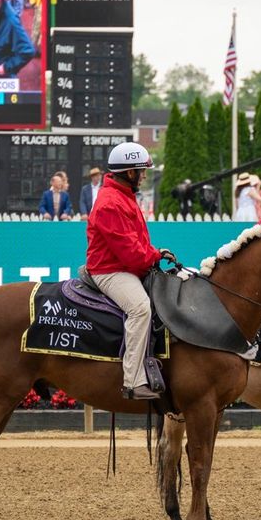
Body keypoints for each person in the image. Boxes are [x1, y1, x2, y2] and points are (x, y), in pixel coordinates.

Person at [86, 142, 175, 401]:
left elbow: (136, 245)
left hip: (124, 266)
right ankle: (133, 381)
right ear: (129, 173)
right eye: (142, 171)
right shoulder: (110, 203)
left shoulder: (123, 195)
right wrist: (155, 256)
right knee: (140, 308)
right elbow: (131, 255)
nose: (145, 176)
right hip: (110, 271)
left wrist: (155, 253)